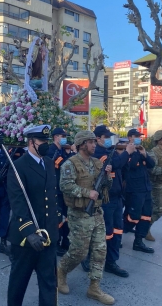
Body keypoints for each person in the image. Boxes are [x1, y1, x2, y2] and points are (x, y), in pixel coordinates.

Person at [57, 130, 114, 305]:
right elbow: (65, 186)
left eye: (94, 143)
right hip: (79, 214)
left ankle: (94, 288)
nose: (94, 145)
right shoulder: (70, 164)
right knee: (79, 252)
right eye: (91, 143)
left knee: (100, 250)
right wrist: (86, 192)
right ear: (82, 144)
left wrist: (107, 176)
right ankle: (61, 271)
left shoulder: (98, 163)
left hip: (97, 213)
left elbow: (106, 188)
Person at [6, 125, 59, 306]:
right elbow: (17, 202)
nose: (46, 145)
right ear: (31, 143)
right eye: (42, 141)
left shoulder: (50, 163)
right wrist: (29, 231)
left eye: (47, 141)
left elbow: (52, 195)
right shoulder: (18, 167)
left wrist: (58, 219)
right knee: (18, 283)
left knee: (49, 283)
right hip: (27, 239)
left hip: (49, 235)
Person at [93, 125, 135, 278]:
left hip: (117, 197)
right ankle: (95, 259)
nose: (110, 140)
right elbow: (112, 165)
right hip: (106, 199)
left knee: (117, 230)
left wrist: (127, 155)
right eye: (106, 137)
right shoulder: (98, 153)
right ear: (98, 139)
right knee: (105, 232)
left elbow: (121, 167)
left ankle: (111, 261)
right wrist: (126, 153)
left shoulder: (109, 152)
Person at [123, 129, 155, 253]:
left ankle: (138, 241)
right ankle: (119, 232)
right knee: (133, 216)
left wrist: (144, 154)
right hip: (134, 190)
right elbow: (130, 166)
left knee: (146, 216)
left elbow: (152, 165)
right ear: (130, 137)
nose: (139, 138)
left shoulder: (141, 151)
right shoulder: (127, 152)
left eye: (139, 136)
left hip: (146, 188)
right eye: (136, 136)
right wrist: (135, 152)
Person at [47, 127, 71, 256]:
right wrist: (72, 154)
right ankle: (55, 243)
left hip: (63, 188)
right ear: (56, 137)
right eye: (62, 136)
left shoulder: (61, 150)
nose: (64, 138)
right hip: (56, 188)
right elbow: (64, 164)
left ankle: (65, 242)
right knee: (57, 217)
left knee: (66, 217)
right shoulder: (52, 150)